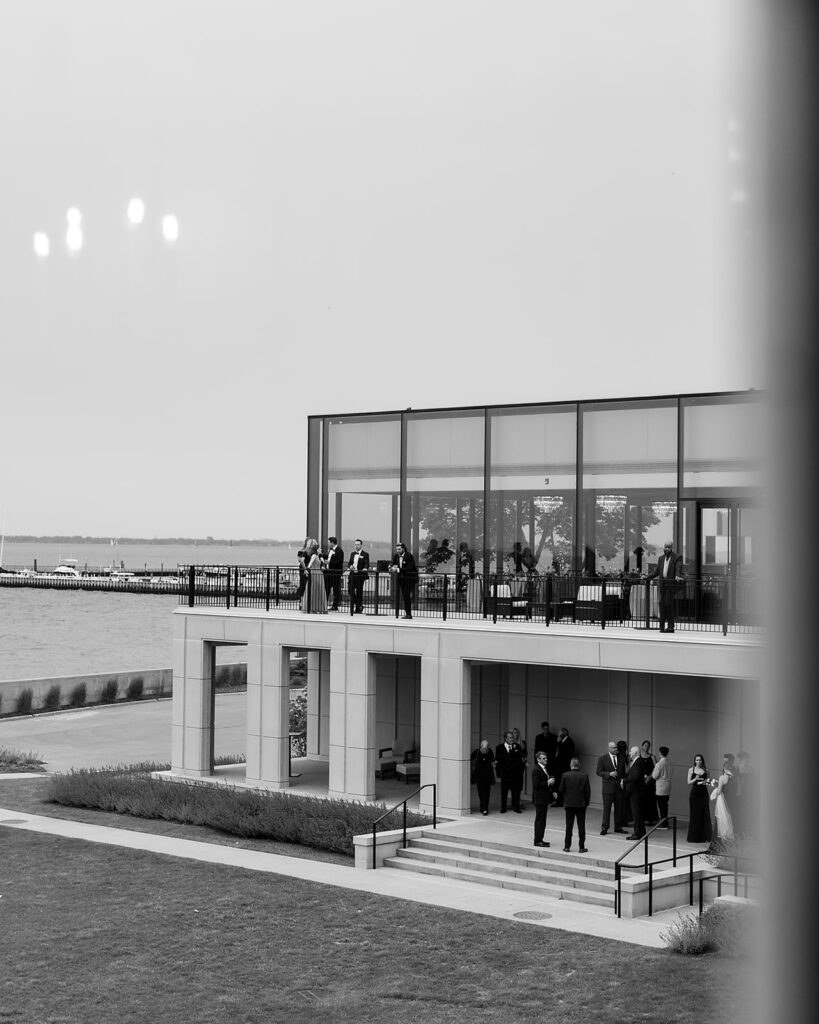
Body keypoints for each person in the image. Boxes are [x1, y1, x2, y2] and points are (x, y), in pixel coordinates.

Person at [645, 541, 685, 633]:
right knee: (662, 605)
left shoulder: (677, 557)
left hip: (671, 584)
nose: (667, 549)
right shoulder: (661, 558)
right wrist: (647, 577)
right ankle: (662, 626)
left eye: (669, 547)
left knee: (668, 604)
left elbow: (678, 568)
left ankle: (671, 626)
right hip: (663, 585)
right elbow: (657, 572)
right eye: (666, 547)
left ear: (672, 548)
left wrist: (678, 575)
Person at [558, 756, 591, 852]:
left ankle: (567, 846)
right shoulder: (584, 776)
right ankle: (581, 846)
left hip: (569, 804)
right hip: (581, 804)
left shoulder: (565, 775)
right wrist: (586, 803)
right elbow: (587, 791)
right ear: (579, 765)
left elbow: (561, 789)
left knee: (569, 826)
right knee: (581, 826)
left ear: (570, 765)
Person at [495, 730, 525, 813]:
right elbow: (498, 761)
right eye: (510, 738)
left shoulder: (517, 747)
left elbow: (519, 760)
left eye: (512, 738)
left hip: (515, 774)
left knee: (515, 791)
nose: (512, 739)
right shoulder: (499, 748)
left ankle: (516, 807)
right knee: (504, 792)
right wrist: (499, 773)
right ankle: (503, 808)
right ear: (505, 738)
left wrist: (519, 772)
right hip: (505, 774)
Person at [596, 740, 623, 835]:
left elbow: (623, 772)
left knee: (619, 808)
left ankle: (618, 827)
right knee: (607, 809)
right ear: (609, 748)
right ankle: (605, 827)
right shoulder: (602, 758)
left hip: (618, 787)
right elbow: (598, 771)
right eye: (614, 748)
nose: (616, 749)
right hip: (608, 788)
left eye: (616, 747)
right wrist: (609, 774)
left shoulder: (621, 758)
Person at [686, 754, 713, 844]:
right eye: (697, 760)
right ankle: (694, 837)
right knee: (695, 815)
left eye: (700, 760)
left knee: (705, 814)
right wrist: (695, 779)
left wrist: (705, 782)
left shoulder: (706, 770)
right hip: (694, 794)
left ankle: (705, 836)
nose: (698, 762)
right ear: (695, 761)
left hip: (704, 794)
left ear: (702, 761)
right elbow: (688, 783)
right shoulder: (691, 769)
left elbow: (709, 782)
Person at [710, 753, 735, 844]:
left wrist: (715, 788)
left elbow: (719, 791)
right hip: (731, 799)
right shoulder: (734, 777)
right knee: (729, 818)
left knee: (722, 818)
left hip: (723, 799)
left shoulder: (722, 777)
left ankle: (721, 840)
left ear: (725, 768)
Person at [532, 751, 555, 847]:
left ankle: (540, 838)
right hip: (539, 798)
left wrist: (551, 791)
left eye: (546, 758)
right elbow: (536, 785)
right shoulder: (536, 770)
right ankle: (537, 840)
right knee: (540, 820)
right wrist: (548, 782)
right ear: (538, 759)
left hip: (544, 798)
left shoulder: (544, 769)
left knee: (542, 820)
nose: (546, 759)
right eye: (543, 758)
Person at [390, 542, 418, 619]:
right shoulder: (396, 556)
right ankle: (406, 613)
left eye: (399, 549)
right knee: (404, 595)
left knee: (406, 595)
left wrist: (398, 569)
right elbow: (392, 564)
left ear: (403, 549)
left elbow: (409, 568)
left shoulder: (409, 556)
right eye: (396, 549)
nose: (397, 551)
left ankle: (408, 614)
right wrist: (390, 567)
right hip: (401, 579)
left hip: (410, 579)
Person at [470, 739, 496, 815]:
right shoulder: (477, 752)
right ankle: (483, 807)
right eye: (483, 749)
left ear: (488, 748)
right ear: (480, 747)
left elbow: (493, 760)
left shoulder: (490, 752)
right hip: (479, 776)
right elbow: (469, 758)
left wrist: (494, 763)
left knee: (487, 793)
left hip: (488, 776)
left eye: (485, 749)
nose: (484, 751)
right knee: (481, 793)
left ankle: (485, 808)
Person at [625, 746, 646, 839]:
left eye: (631, 751)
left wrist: (625, 780)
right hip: (638, 791)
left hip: (636, 792)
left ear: (635, 753)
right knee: (639, 813)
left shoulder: (637, 762)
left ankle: (637, 833)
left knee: (636, 813)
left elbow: (635, 776)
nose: (629, 753)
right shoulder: (639, 761)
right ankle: (641, 832)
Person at [301, 539, 327, 614]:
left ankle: (316, 607)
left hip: (318, 574)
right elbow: (310, 565)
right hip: (316, 574)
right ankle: (314, 607)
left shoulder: (318, 555)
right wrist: (307, 569)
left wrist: (307, 570)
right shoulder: (315, 556)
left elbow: (321, 564)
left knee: (318, 591)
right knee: (315, 591)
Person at [553, 727, 575, 806]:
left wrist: (559, 743)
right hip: (559, 767)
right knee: (558, 783)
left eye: (559, 733)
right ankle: (558, 800)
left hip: (564, 767)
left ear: (563, 734)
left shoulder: (569, 742)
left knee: (562, 784)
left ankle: (560, 801)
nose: (558, 735)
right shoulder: (562, 741)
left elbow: (564, 754)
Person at [347, 539, 370, 615]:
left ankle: (357, 609)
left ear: (361, 545)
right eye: (355, 545)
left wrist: (365, 568)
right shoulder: (352, 554)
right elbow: (349, 563)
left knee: (359, 592)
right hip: (352, 574)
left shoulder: (365, 554)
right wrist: (350, 566)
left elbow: (367, 563)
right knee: (350, 590)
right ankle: (359, 605)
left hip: (360, 575)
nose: (356, 546)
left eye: (358, 545)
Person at [652, 746, 673, 828]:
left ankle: (664, 824)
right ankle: (665, 822)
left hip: (660, 787)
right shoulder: (670, 762)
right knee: (665, 805)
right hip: (668, 786)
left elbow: (654, 776)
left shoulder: (659, 764)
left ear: (660, 753)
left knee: (661, 806)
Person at [639, 740, 659, 825]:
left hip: (650, 781)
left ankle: (651, 818)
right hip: (641, 781)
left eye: (648, 746)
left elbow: (656, 768)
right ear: (642, 746)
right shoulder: (639, 757)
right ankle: (642, 818)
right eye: (645, 745)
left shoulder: (652, 757)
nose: (647, 747)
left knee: (651, 799)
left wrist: (649, 777)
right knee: (642, 799)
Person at [323, 536, 344, 611]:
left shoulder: (339, 551)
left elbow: (339, 562)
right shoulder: (330, 550)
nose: (328, 544)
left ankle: (335, 606)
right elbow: (328, 557)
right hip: (328, 572)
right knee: (326, 588)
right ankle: (324, 604)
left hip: (335, 573)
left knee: (336, 590)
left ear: (332, 542)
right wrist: (320, 554)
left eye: (329, 542)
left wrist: (329, 562)